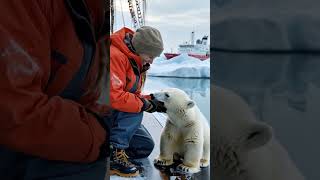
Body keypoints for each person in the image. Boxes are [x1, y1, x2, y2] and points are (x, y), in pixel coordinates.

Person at [0, 1, 111, 179]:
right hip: (14, 148)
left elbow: (95, 96)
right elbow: (13, 109)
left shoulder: (98, 17)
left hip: (51, 130)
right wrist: (98, 136)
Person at [109, 26, 167, 177]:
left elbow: (133, 94)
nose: (152, 61)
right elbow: (114, 96)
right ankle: (115, 154)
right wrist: (145, 104)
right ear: (140, 48)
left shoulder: (135, 60)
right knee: (136, 108)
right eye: (150, 55)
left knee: (144, 146)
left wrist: (153, 101)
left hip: (116, 114)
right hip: (102, 113)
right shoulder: (115, 56)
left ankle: (109, 149)